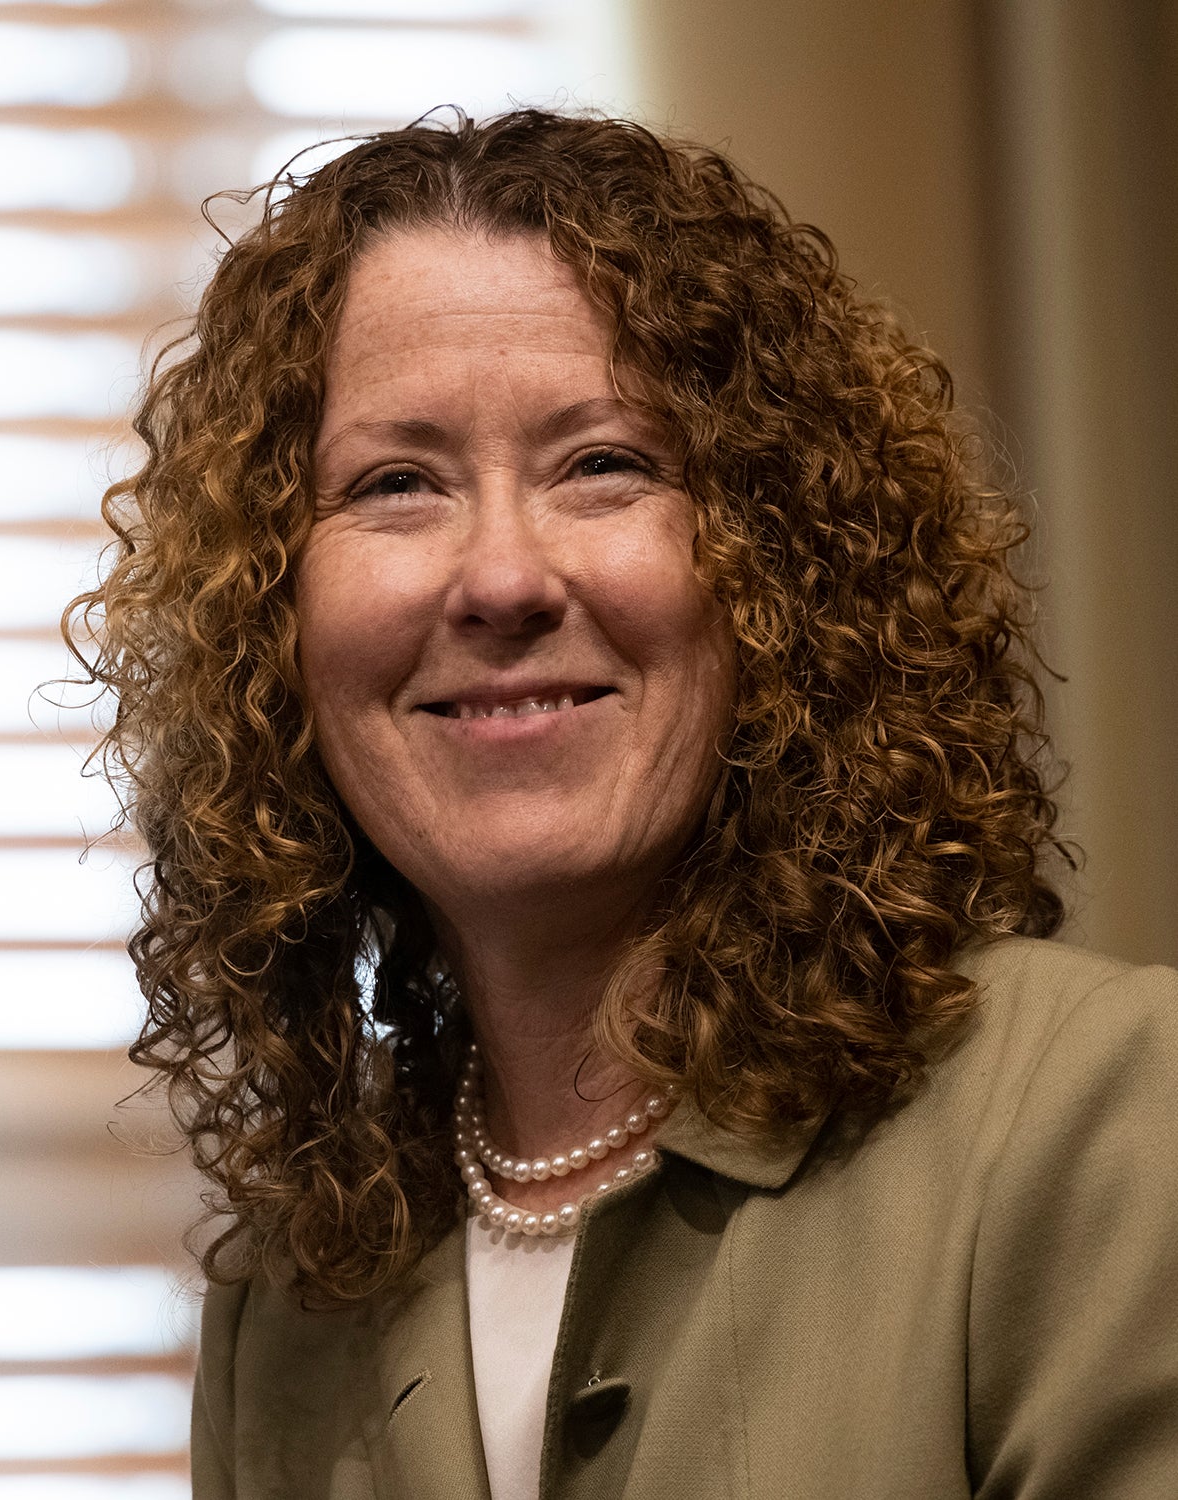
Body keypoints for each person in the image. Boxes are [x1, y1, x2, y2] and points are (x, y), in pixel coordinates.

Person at [68, 109, 1178, 1499]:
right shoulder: (292, 1298)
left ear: (787, 565)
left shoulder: (1106, 1116)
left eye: (605, 464)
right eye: (395, 484)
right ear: (269, 626)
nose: (503, 578)